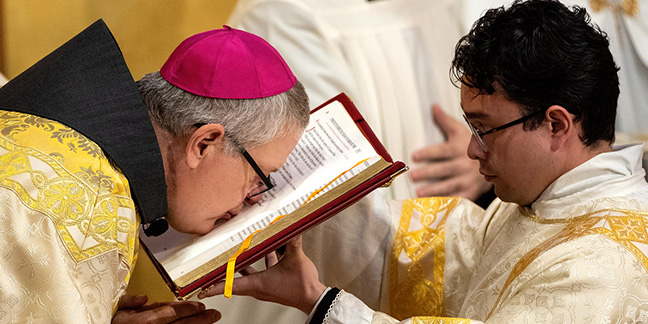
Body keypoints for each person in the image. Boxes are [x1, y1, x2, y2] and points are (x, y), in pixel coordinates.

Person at [199, 1, 648, 323]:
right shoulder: (548, 202)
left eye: (484, 129)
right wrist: (289, 194)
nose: (472, 151)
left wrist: (321, 303)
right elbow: (441, 256)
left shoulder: (602, 266)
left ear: (556, 124)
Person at [0, 21, 310, 323]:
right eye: (260, 177)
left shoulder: (63, 140)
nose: (251, 201)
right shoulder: (89, 207)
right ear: (203, 144)